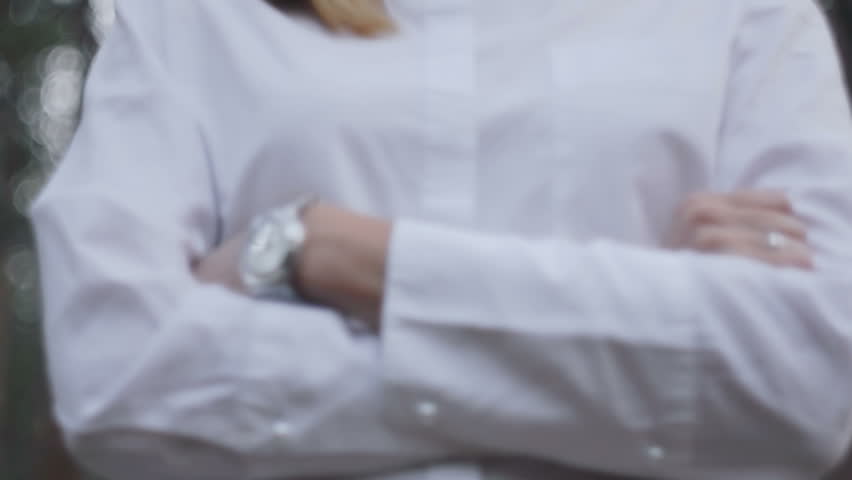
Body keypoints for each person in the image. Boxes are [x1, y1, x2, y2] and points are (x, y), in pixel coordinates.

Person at [29, 0, 852, 478]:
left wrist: (326, 249)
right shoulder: (195, 17)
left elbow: (813, 376)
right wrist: (647, 347)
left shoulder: (744, 12)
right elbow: (116, 377)